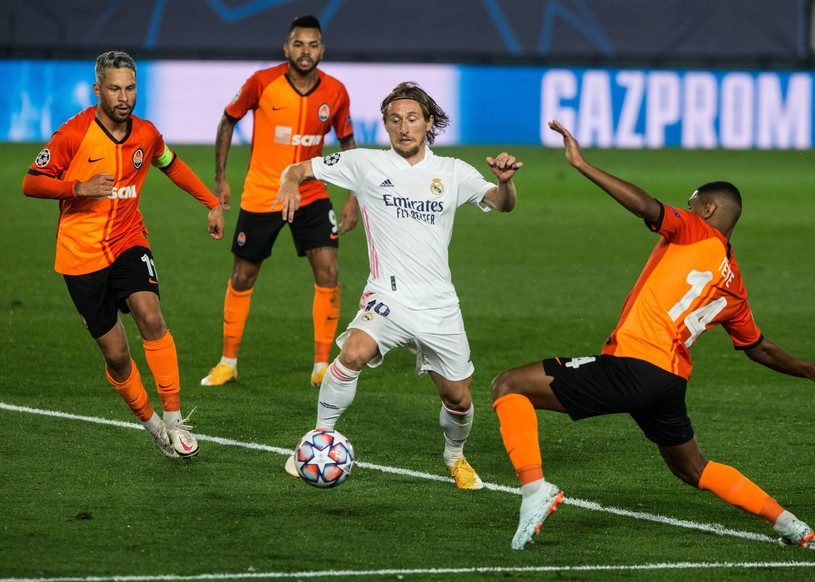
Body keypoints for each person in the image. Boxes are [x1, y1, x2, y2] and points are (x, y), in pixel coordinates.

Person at [491, 119, 815, 549]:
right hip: (668, 382)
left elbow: (648, 207)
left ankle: (536, 490)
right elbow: (758, 348)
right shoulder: (733, 283)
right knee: (692, 469)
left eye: (692, 201)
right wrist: (812, 370)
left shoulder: (694, 230)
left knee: (509, 385)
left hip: (634, 364)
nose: (685, 207)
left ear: (707, 210)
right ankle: (789, 523)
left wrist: (582, 165)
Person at [275, 81, 522, 489]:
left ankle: (455, 457)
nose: (403, 127)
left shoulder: (453, 172)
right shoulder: (365, 163)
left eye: (412, 119)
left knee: (459, 400)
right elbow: (300, 168)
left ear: (428, 123)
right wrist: (289, 184)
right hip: (387, 297)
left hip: (439, 305)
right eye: (394, 120)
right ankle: (318, 437)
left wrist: (506, 181)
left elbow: (502, 203)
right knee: (352, 353)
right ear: (386, 126)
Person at [22, 50, 225, 459]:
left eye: (130, 87)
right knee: (116, 356)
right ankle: (152, 425)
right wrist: (76, 187)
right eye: (114, 88)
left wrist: (211, 202)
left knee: (151, 315)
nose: (123, 96)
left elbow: (170, 164)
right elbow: (32, 182)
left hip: (128, 239)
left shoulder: (146, 134)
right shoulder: (74, 135)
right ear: (98, 89)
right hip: (80, 254)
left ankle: (174, 419)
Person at [200, 14, 357, 389]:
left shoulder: (335, 91)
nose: (306, 51)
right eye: (298, 44)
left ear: (322, 49)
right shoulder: (261, 82)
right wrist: (221, 178)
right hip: (262, 194)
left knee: (329, 273)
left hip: (312, 194)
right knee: (243, 275)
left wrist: (354, 196)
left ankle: (322, 367)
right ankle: (228, 362)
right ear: (286, 48)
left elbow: (347, 143)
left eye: (313, 44)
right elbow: (227, 120)